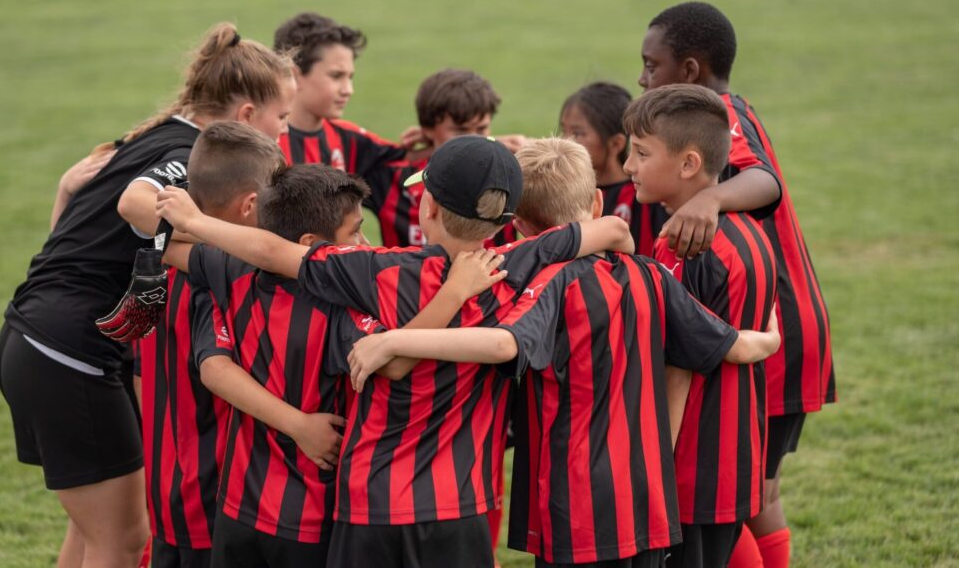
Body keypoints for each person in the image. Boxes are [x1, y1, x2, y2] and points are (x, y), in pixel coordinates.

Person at [154, 135, 638, 568]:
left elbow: (273, 253)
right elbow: (613, 231)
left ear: (426, 207)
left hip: (371, 503)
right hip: (461, 506)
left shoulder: (373, 270)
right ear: (507, 220)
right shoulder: (520, 265)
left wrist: (195, 221)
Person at [343, 137, 781, 567]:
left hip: (577, 504)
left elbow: (503, 344)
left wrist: (395, 338)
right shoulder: (652, 275)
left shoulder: (547, 285)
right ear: (594, 203)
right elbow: (734, 346)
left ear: (518, 227)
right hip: (646, 497)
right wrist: (773, 336)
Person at [0, 22, 295, 568]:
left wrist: (66, 189)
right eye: (283, 118)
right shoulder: (186, 151)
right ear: (248, 116)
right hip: (70, 352)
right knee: (124, 540)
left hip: (36, 339)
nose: (286, 130)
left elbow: (73, 235)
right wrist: (214, 239)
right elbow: (135, 206)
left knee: (90, 535)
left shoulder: (154, 136)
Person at [172, 162, 503, 566]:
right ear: (314, 244)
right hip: (313, 514)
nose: (364, 243)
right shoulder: (343, 304)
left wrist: (192, 220)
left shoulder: (229, 269)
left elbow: (211, 362)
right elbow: (394, 364)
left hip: (238, 507)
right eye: (354, 233)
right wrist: (453, 293)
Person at [638, 2, 835, 568]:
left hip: (775, 329)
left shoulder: (722, 112)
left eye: (652, 66)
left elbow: (764, 179)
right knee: (733, 499)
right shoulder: (731, 108)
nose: (644, 78)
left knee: (741, 496)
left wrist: (711, 197)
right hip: (764, 320)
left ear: (691, 71)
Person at [622, 85, 778, 567]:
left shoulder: (689, 246)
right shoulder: (751, 232)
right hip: (731, 459)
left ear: (689, 163)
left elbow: (679, 372)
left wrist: (654, 472)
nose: (629, 166)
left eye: (642, 153)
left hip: (689, 471)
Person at [135, 121, 284, 567]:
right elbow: (215, 370)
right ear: (249, 206)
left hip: (167, 487)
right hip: (209, 491)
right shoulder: (216, 274)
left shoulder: (161, 261)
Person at [366, 69, 520, 248]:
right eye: (460, 131)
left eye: (481, 128)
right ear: (428, 128)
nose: (473, 139)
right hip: (411, 276)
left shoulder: (510, 174)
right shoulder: (389, 179)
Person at [273, 12, 407, 174]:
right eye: (336, 76)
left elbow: (409, 160)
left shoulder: (350, 139)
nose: (348, 90)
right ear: (295, 75)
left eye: (350, 77)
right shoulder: (263, 145)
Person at [558, 81, 667, 255]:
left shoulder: (645, 194)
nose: (565, 141)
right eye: (563, 130)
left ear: (616, 144)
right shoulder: (566, 189)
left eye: (577, 133)